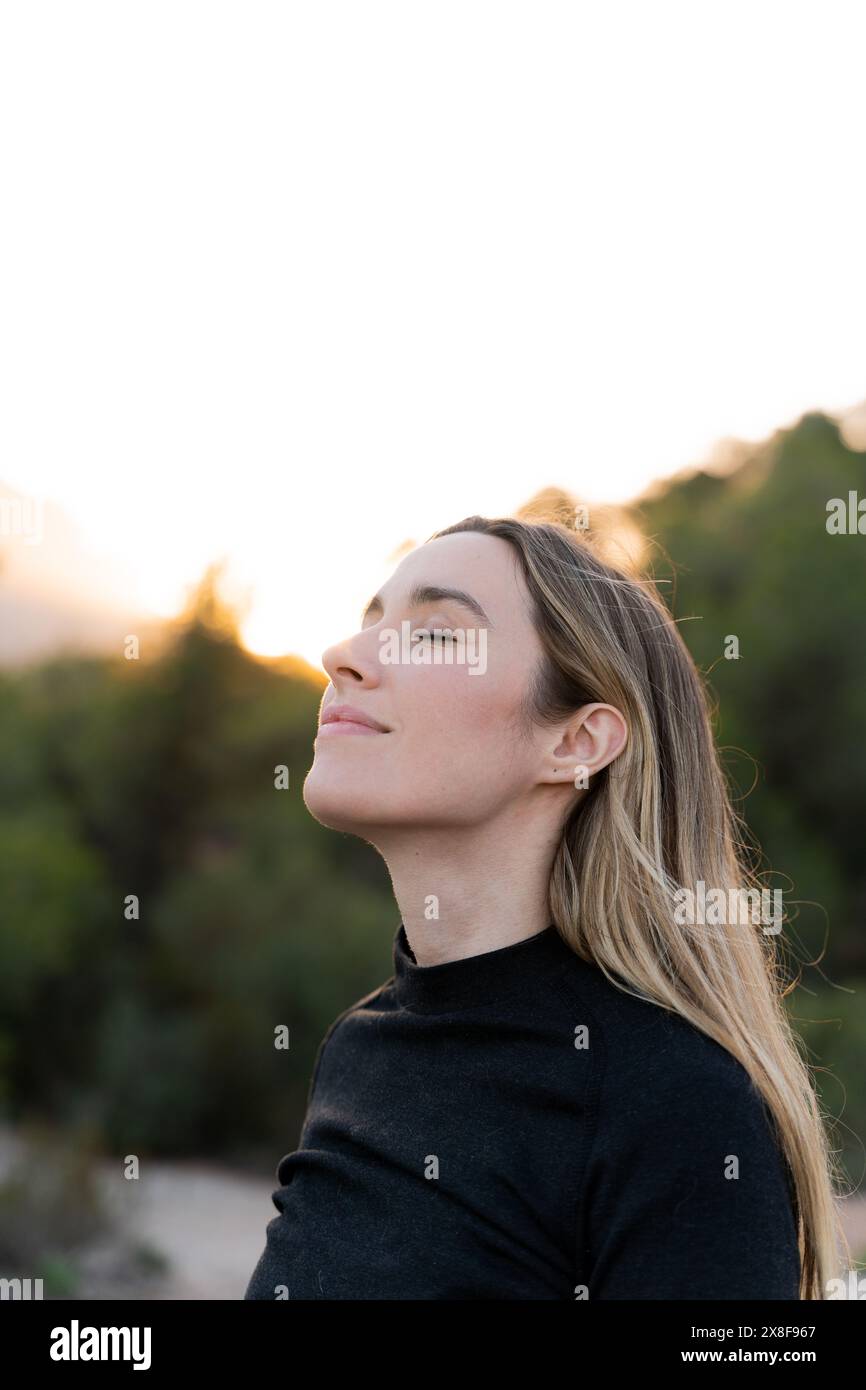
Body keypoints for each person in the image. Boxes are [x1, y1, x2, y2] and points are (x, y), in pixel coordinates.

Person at [244, 514, 847, 1300]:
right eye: (371, 625)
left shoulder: (681, 1109)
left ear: (576, 743)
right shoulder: (362, 1046)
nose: (344, 657)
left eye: (433, 634)